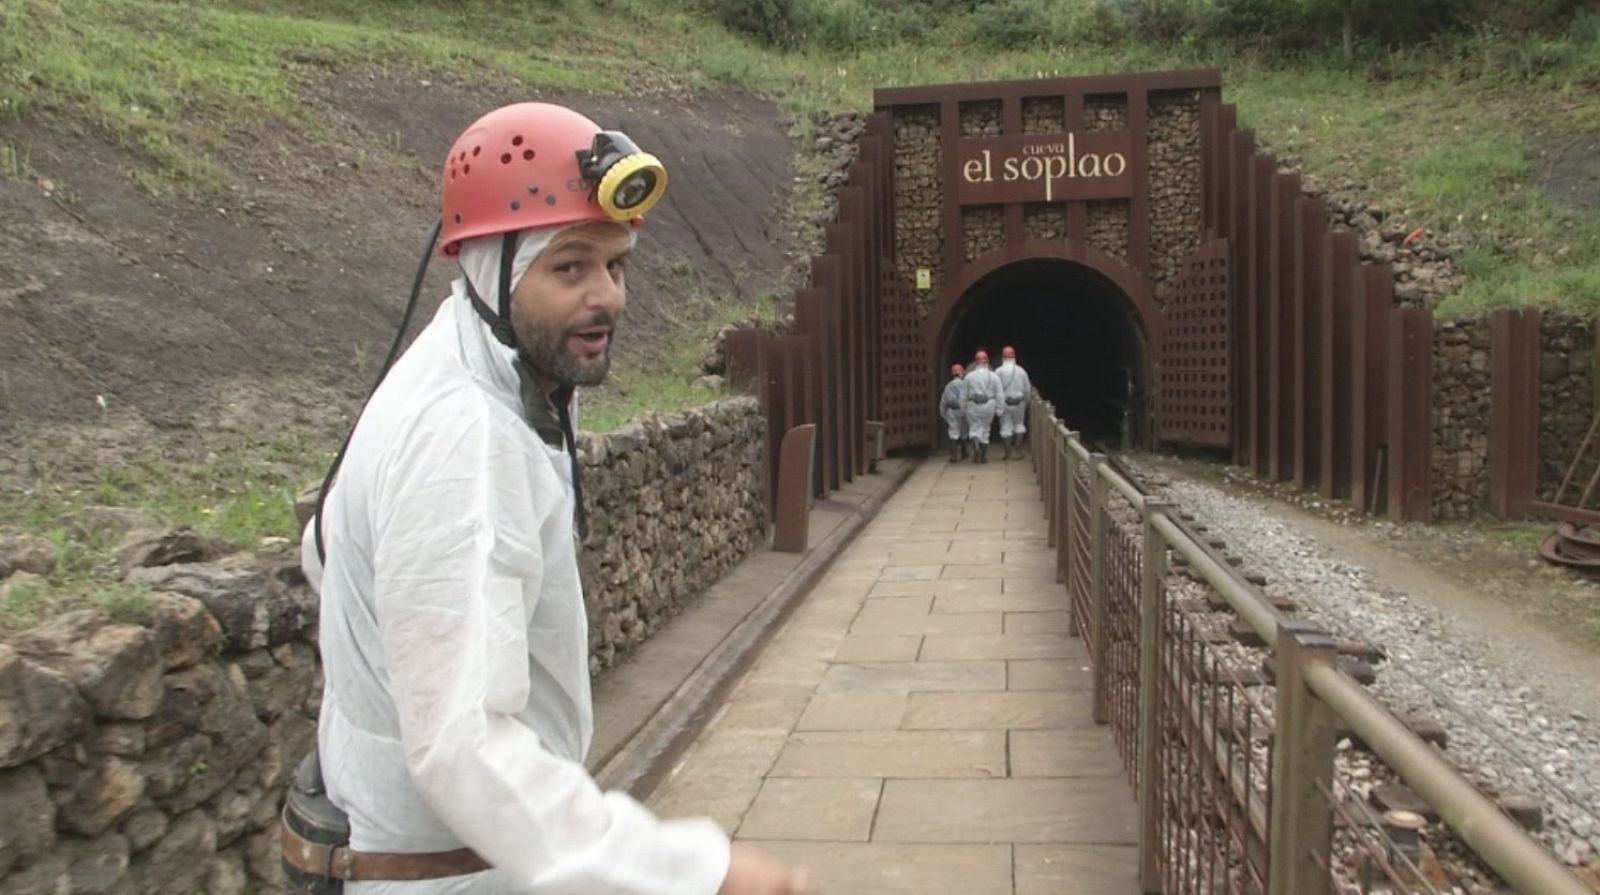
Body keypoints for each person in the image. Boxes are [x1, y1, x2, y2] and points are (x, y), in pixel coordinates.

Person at [292, 102, 813, 895]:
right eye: (569, 267)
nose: (607, 297)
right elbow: (463, 742)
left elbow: (329, 554)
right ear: (491, 268)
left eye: (616, 265)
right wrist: (698, 873)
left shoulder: (475, 367)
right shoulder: (463, 438)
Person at [962, 349, 1001, 464]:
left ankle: (976, 448)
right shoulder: (994, 376)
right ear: (987, 361)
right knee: (985, 430)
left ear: (975, 362)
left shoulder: (969, 376)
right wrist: (999, 409)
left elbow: (964, 394)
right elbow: (999, 393)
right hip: (989, 405)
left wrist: (963, 407)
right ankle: (983, 456)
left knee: (974, 428)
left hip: (972, 405)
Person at [995, 345, 1031, 460]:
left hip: (1005, 402)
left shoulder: (998, 371)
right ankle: (1018, 450)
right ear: (1014, 356)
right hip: (1019, 403)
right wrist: (1026, 402)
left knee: (1005, 426)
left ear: (1003, 357)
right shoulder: (1021, 371)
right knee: (1019, 425)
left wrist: (997, 403)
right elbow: (1027, 389)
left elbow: (995, 389)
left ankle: (1007, 452)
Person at [939, 362, 968, 463]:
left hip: (952, 411)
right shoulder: (966, 384)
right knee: (964, 431)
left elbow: (944, 402)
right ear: (963, 372)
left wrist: (944, 414)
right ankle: (964, 453)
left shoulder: (948, 386)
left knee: (953, 432)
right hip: (963, 411)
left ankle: (954, 455)